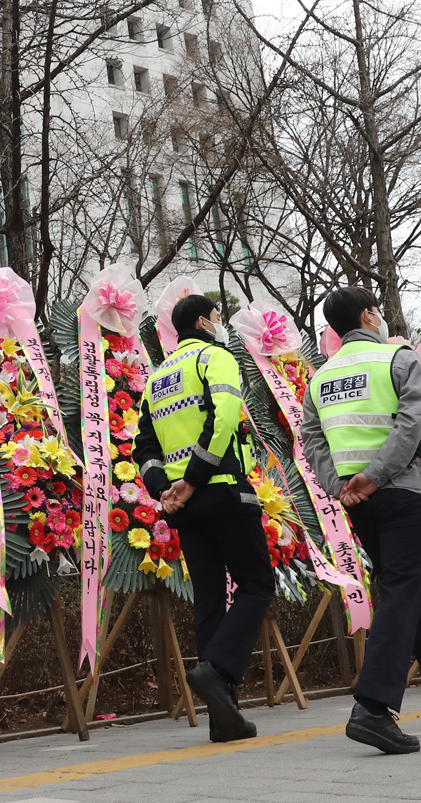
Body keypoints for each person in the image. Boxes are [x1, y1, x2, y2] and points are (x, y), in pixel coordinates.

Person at [301, 286, 421, 755]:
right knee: (402, 591)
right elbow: (411, 426)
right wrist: (376, 477)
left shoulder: (320, 379)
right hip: (401, 494)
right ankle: (374, 709)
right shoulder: (397, 358)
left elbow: (312, 441)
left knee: (409, 597)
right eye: (377, 310)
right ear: (368, 315)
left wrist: (343, 484)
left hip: (359, 503)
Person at [133, 293, 273, 743]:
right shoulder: (215, 358)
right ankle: (217, 671)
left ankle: (222, 718)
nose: (221, 323)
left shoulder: (157, 378)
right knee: (256, 585)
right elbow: (225, 416)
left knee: (210, 600)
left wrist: (165, 492)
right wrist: (193, 479)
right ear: (202, 321)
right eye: (217, 316)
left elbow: (144, 448)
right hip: (223, 493)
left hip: (185, 509)